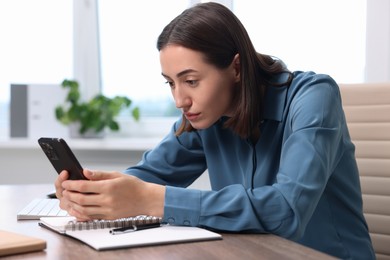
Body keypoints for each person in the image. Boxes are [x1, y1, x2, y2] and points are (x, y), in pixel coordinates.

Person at [55, 2, 374, 259]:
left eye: (191, 81)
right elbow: (147, 178)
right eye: (171, 83)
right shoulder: (205, 115)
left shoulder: (313, 97)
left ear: (236, 67)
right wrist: (93, 193)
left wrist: (152, 199)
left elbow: (286, 211)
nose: (179, 99)